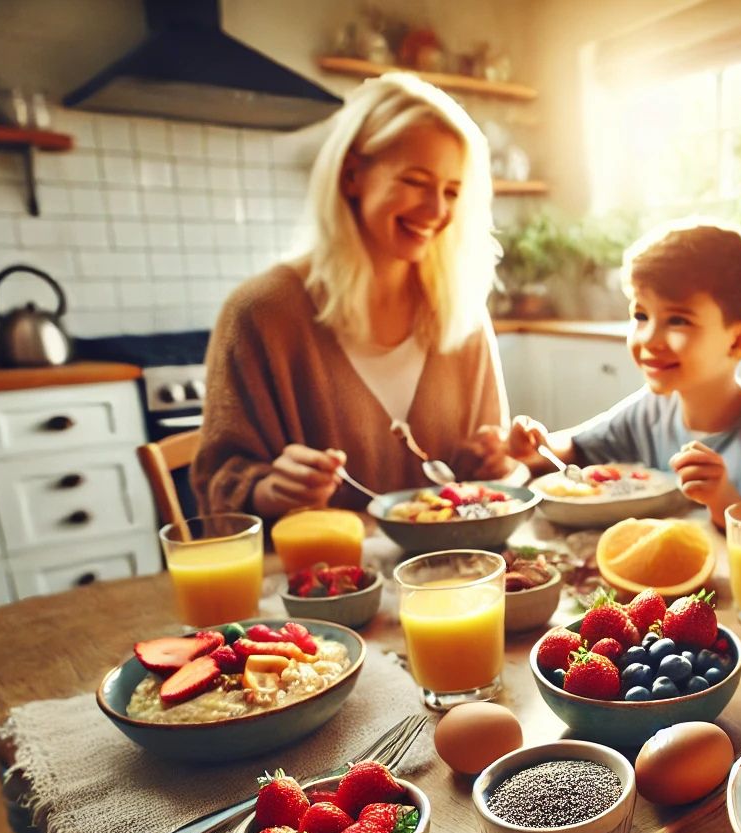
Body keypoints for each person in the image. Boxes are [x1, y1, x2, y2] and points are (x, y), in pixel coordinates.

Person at [194, 72, 513, 519]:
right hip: (319, 580)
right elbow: (220, 488)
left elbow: (485, 487)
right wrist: (273, 490)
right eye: (416, 182)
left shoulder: (461, 314)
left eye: (451, 191)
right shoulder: (260, 314)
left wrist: (495, 463)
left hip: (452, 579)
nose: (436, 211)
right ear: (351, 176)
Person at [505, 218, 741, 527]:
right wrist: (538, 447)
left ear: (740, 340)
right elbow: (579, 451)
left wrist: (723, 498)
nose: (649, 339)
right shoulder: (652, 409)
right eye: (641, 315)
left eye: (678, 321)